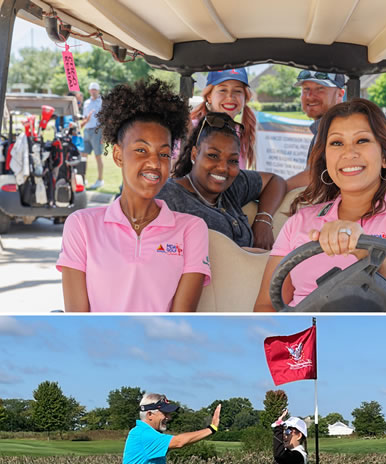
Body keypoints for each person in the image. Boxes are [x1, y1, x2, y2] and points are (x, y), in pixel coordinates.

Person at [254, 98, 386, 311]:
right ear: (326, 160)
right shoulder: (298, 223)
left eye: (362, 140)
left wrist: (359, 243)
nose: (349, 153)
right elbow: (265, 306)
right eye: (337, 143)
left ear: (385, 157)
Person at [57, 79, 210, 312]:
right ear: (118, 155)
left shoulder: (192, 229)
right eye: (141, 150)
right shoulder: (81, 226)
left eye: (164, 154)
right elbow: (78, 321)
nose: (154, 163)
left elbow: (180, 321)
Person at [159, 111, 286, 250]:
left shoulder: (233, 186)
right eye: (213, 155)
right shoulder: (168, 196)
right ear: (195, 154)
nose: (222, 168)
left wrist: (263, 220)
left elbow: (275, 181)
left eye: (232, 160)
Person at [284, 71, 346, 190]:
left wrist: (274, 189)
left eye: (320, 89)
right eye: (306, 89)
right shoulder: (323, 126)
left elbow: (313, 177)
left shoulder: (335, 127)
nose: (310, 96)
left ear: (339, 94)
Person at [187, 68, 258, 169]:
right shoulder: (192, 127)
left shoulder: (241, 132)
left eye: (237, 91)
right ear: (209, 96)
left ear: (245, 98)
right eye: (222, 90)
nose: (230, 97)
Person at [82, 81, 106, 189]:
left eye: (95, 89)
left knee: (98, 156)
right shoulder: (86, 102)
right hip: (87, 131)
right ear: (89, 91)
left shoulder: (102, 102)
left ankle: (100, 180)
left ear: (98, 90)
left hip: (97, 131)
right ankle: (83, 179)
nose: (93, 91)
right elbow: (84, 117)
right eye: (91, 89)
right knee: (83, 156)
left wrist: (104, 135)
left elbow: (105, 119)